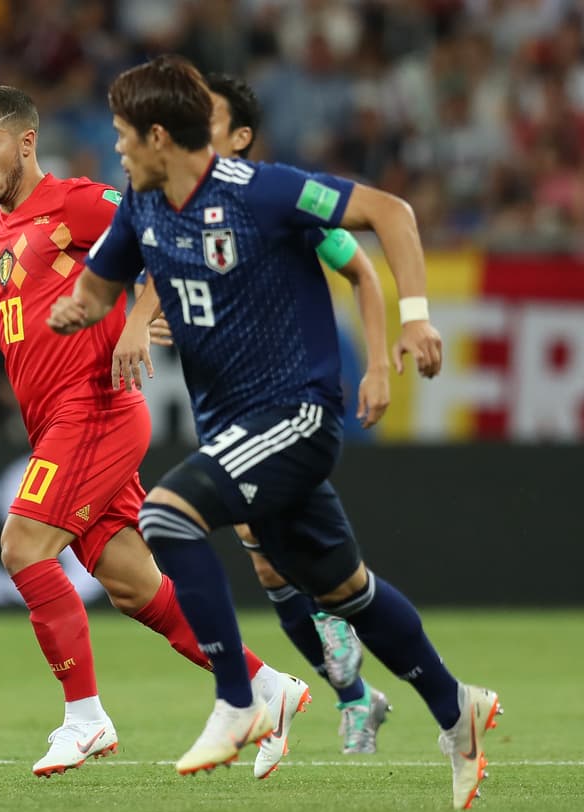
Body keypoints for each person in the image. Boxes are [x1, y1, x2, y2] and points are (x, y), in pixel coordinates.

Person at [48, 55, 499, 810]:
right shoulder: (142, 203)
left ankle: (239, 698)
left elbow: (392, 213)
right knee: (345, 590)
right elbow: (95, 289)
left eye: (125, 136)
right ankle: (459, 710)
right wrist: (78, 310)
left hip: (296, 413)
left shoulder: (265, 191)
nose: (116, 150)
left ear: (160, 136)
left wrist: (414, 318)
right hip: (232, 425)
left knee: (166, 514)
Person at [0, 85, 310, 779]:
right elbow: (7, 316)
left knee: (23, 546)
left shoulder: (77, 202)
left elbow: (163, 239)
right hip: (53, 419)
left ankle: (85, 718)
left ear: (27, 141)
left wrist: (139, 318)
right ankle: (270, 687)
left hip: (96, 408)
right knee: (133, 586)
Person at [113, 71, 393, 755]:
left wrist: (381, 358)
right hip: (224, 405)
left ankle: (347, 674)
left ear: (237, 136)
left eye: (206, 117)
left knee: (290, 565)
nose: (186, 125)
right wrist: (142, 318)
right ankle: (354, 692)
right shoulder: (171, 204)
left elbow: (358, 265)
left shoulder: (276, 202)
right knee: (269, 571)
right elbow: (153, 268)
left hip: (284, 400)